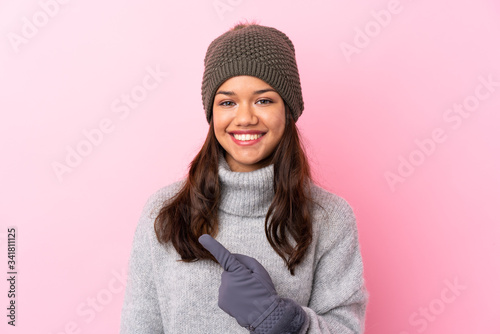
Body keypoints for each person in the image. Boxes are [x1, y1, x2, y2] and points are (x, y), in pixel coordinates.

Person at [120, 21, 369, 334]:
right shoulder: (164, 212)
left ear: (287, 110)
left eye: (263, 100)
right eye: (227, 102)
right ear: (212, 113)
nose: (245, 118)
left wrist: (283, 321)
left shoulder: (329, 218)